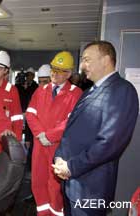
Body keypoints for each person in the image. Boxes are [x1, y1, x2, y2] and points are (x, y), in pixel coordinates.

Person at [53, 41, 139, 216]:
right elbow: (72, 131)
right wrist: (60, 159)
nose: (82, 66)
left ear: (106, 60)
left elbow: (110, 143)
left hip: (90, 188)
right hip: (71, 183)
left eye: (87, 60)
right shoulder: (90, 92)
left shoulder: (122, 90)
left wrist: (71, 167)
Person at [26, 51, 82, 216]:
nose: (54, 74)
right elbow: (30, 113)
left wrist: (49, 136)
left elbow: (71, 122)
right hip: (40, 146)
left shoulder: (75, 93)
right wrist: (40, 134)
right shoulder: (41, 90)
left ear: (69, 73)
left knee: (55, 186)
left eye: (60, 71)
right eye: (53, 69)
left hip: (59, 148)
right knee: (38, 182)